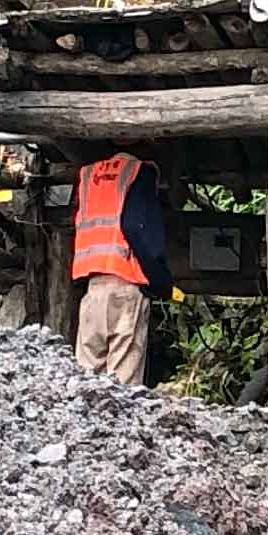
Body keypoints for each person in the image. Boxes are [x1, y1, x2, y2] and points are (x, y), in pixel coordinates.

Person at [68, 151, 166, 385]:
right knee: (123, 386)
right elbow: (136, 226)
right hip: (126, 286)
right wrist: (160, 280)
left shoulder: (87, 175)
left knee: (86, 378)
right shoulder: (140, 172)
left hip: (93, 289)